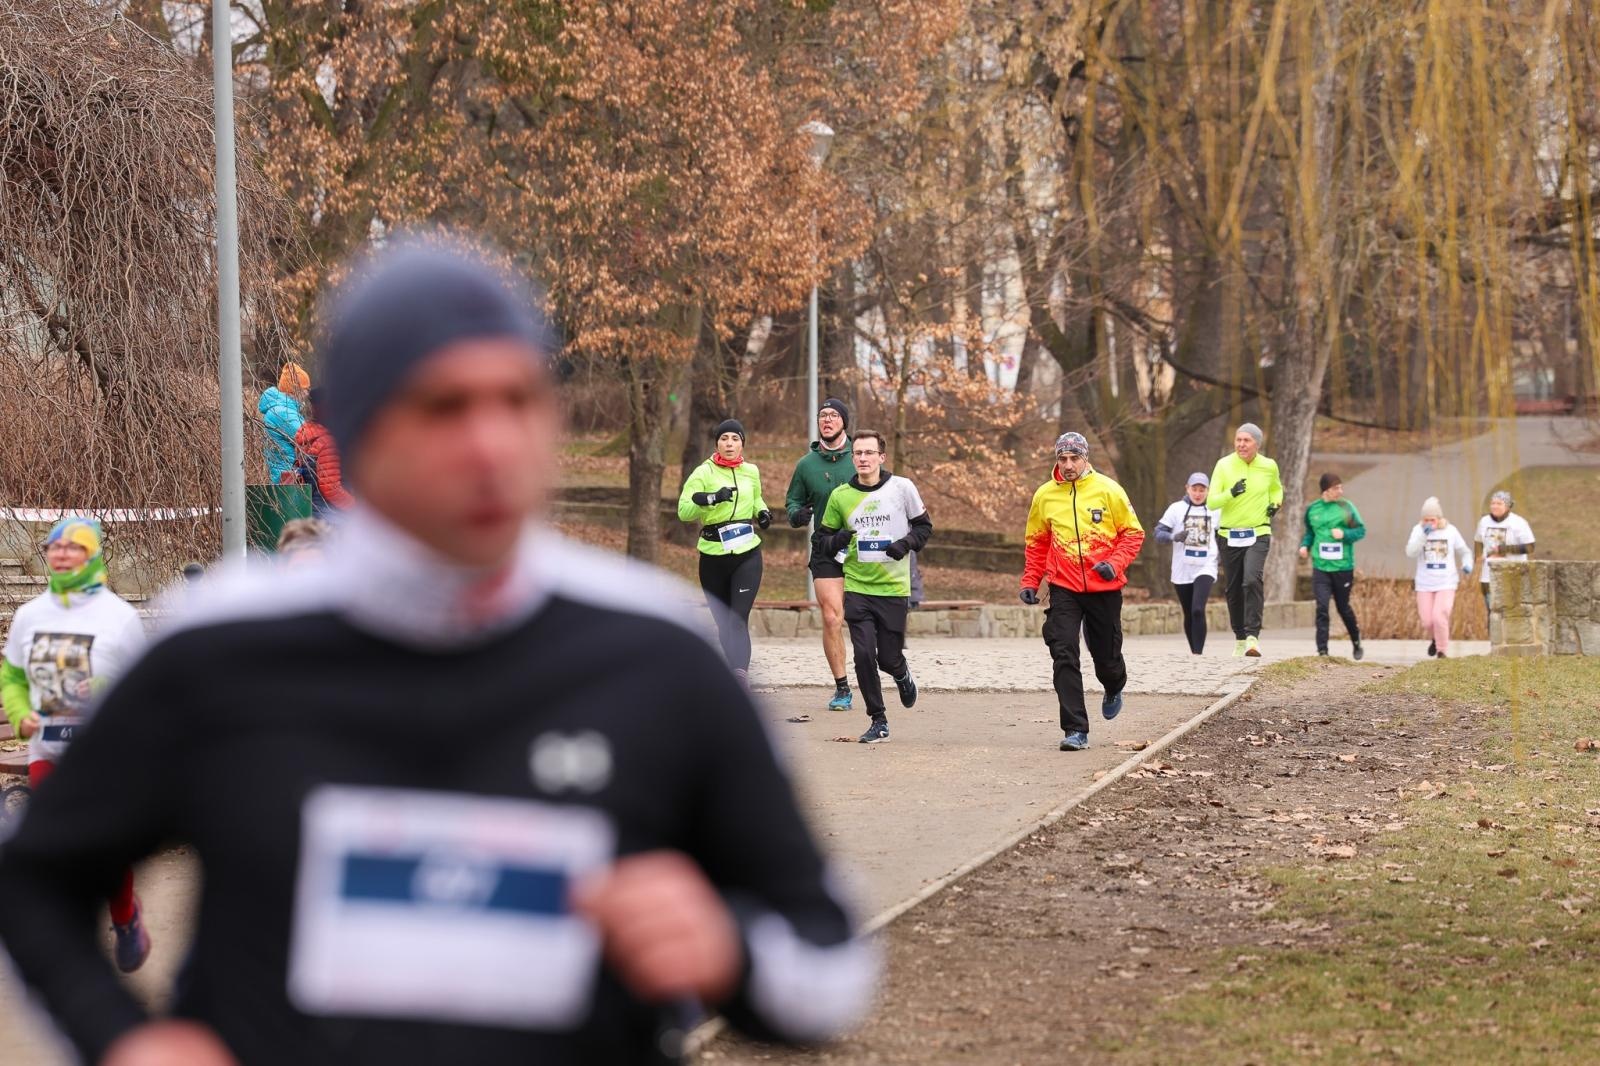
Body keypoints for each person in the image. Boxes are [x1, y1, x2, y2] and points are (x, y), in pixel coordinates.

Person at [0, 239, 874, 1066]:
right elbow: (33, 881)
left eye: (518, 400)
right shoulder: (221, 649)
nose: (490, 445)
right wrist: (118, 1038)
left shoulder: (659, 653)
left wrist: (732, 955)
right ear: (358, 430)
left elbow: (833, 966)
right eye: (443, 406)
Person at [0, 518, 149, 973]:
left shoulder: (118, 616)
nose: (61, 555)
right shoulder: (30, 615)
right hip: (48, 749)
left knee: (104, 848)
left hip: (103, 755)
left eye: (72, 547)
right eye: (55, 547)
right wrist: (20, 711)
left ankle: (126, 918)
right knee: (53, 845)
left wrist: (101, 685)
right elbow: (12, 677)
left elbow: (141, 687)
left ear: (92, 554)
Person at [1019, 432, 1145, 751]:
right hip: (1064, 587)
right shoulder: (1045, 495)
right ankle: (1075, 728)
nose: (1069, 465)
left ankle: (1114, 684)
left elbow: (1133, 534)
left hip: (1104, 587)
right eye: (1063, 459)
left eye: (1075, 458)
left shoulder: (1108, 490)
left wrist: (1114, 564)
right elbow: (1037, 543)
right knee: (1063, 650)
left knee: (1106, 657)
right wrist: (1030, 582)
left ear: (1085, 458)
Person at [816, 430, 932, 744]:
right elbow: (822, 540)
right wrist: (837, 539)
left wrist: (905, 544)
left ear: (881, 457)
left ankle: (901, 671)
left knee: (888, 658)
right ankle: (878, 720)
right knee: (864, 654)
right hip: (857, 586)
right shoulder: (840, 496)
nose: (863, 459)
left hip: (893, 588)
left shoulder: (902, 488)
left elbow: (924, 527)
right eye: (858, 454)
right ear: (852, 458)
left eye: (869, 453)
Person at [677, 418, 771, 685]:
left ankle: (739, 675)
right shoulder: (702, 473)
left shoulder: (751, 471)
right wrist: (711, 499)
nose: (730, 444)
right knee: (723, 622)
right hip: (712, 555)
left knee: (737, 618)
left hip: (747, 553)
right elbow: (684, 511)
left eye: (735, 439)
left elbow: (756, 498)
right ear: (716, 442)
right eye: (724, 439)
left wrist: (762, 512)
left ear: (742, 443)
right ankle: (731, 671)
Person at [785, 398, 854, 712]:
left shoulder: (862, 456)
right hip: (826, 548)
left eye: (834, 415)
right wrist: (797, 515)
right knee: (831, 617)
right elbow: (792, 503)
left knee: (865, 620)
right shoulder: (806, 465)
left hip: (862, 548)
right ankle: (842, 687)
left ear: (844, 422)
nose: (827, 420)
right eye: (823, 415)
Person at [1208, 422, 1283, 658]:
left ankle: (1253, 637)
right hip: (1229, 534)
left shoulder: (1269, 466)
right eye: (1238, 440)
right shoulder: (1224, 465)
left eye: (1246, 440)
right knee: (1233, 590)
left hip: (1258, 532)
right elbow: (1211, 502)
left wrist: (1275, 504)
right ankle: (1240, 638)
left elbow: (1276, 489)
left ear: (1257, 444)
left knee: (1251, 580)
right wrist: (1231, 493)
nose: (1241, 444)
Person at [1298, 473, 1366, 660]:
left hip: (1343, 566)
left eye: (1341, 487)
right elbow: (1310, 533)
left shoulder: (1346, 507)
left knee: (1343, 607)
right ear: (1326, 490)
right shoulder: (1313, 509)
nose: (1340, 491)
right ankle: (1322, 651)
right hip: (1320, 566)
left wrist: (1343, 534)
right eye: (1336, 488)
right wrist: (1305, 546)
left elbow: (1361, 531)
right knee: (1321, 607)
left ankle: (1356, 641)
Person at [1153, 472, 1222, 655]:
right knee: (1188, 611)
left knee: (1198, 609)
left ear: (1208, 491)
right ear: (1187, 488)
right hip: (1182, 567)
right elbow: (1158, 534)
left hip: (1206, 565)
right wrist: (1174, 536)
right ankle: (1194, 653)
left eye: (1202, 490)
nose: (1198, 494)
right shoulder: (1176, 509)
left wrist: (1221, 557)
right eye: (1194, 489)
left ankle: (1198, 654)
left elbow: (1223, 535)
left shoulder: (1215, 510)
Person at [1405, 496, 1474, 659]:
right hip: (1424, 583)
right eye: (1426, 519)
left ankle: (1442, 651)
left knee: (1440, 615)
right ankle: (1436, 639)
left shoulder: (1450, 531)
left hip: (1446, 581)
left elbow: (1465, 551)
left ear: (1439, 518)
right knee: (1427, 621)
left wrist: (1467, 564)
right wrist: (1423, 536)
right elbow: (1410, 552)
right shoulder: (1418, 530)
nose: (1430, 523)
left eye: (1433, 519)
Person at [295, 387, 355, 516]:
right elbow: (331, 488)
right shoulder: (328, 442)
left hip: (311, 510)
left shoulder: (307, 435)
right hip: (331, 515)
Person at [1474, 489, 1535, 614]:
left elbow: (1530, 547)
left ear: (1507, 506)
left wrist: (1505, 549)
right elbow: (1478, 540)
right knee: (1492, 614)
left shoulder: (1518, 522)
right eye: (1492, 503)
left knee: (1509, 614)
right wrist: (1478, 556)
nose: (1494, 506)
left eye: (1499, 503)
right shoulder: (1484, 521)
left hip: (1512, 574)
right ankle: (1494, 634)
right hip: (1487, 577)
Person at [260, 362, 310, 485]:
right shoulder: (282, 413)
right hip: (289, 482)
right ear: (295, 389)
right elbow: (308, 439)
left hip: (288, 478)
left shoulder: (283, 410)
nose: (307, 394)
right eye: (305, 389)